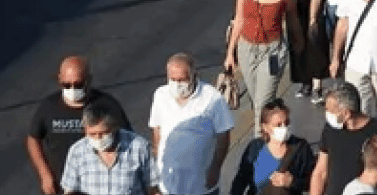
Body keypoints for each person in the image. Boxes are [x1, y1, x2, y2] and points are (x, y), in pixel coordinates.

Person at [29, 56, 134, 195]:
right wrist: (44, 174)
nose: (72, 89)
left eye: (77, 85)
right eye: (66, 85)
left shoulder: (107, 105)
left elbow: (128, 141)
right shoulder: (48, 107)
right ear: (60, 79)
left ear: (88, 80)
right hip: (60, 188)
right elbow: (33, 138)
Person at [226, 0, 305, 124]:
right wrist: (231, 53)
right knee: (258, 102)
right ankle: (275, 119)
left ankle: (259, 146)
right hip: (246, 49)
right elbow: (239, 19)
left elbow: (292, 20)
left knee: (262, 105)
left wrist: (300, 45)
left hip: (272, 52)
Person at [149, 53, 233, 195]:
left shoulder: (213, 98)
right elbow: (156, 128)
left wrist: (215, 168)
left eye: (182, 79)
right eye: (172, 79)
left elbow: (223, 136)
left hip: (201, 184)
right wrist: (157, 157)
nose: (177, 84)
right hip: (169, 183)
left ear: (194, 75)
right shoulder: (160, 95)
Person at [310, 81, 377, 195]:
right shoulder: (330, 129)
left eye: (330, 110)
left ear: (346, 114)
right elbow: (320, 171)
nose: (327, 114)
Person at [61, 103, 158, 195]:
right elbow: (70, 190)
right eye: (92, 134)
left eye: (103, 133)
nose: (98, 138)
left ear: (114, 128)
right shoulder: (77, 151)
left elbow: (153, 187)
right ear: (85, 131)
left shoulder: (139, 146)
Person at [228, 99, 317, 195]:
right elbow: (241, 180)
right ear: (265, 127)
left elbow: (314, 181)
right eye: (278, 125)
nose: (284, 128)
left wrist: (292, 182)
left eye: (286, 123)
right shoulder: (255, 147)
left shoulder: (301, 148)